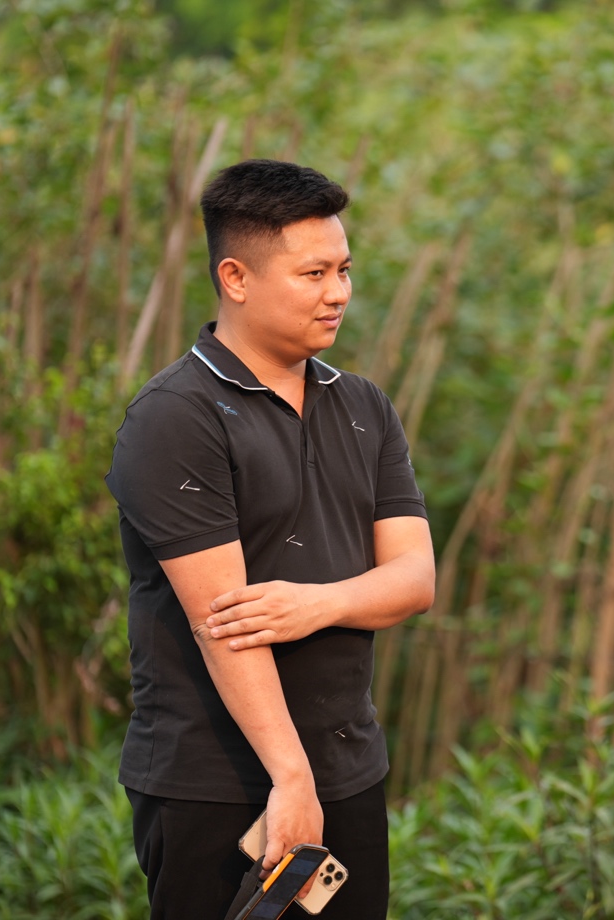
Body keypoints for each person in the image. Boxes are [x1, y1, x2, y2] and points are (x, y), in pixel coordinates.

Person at [106, 159, 435, 920]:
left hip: (348, 768)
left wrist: (315, 605)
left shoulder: (363, 406)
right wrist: (290, 777)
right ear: (236, 278)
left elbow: (415, 580)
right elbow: (223, 622)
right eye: (313, 273)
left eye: (344, 270)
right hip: (216, 782)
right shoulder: (175, 416)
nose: (338, 292)